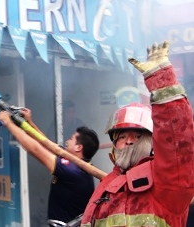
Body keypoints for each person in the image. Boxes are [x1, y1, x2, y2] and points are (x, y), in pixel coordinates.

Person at [80, 40, 194, 227]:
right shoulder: (106, 188)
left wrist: (161, 80)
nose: (128, 141)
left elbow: (178, 139)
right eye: (122, 137)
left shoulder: (169, 182)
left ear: (152, 143)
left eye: (137, 136)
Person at [0, 108, 100, 226]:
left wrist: (9, 124)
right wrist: (28, 123)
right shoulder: (73, 161)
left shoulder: (74, 171)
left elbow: (35, 149)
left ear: (78, 148)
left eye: (71, 139)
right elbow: (45, 143)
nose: (67, 141)